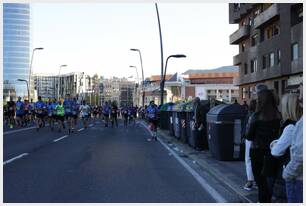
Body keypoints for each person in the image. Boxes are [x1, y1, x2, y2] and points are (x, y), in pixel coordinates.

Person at [245, 87, 282, 203]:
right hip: (273, 152)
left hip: (257, 153)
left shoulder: (256, 116)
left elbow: (249, 136)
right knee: (269, 182)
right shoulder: (278, 115)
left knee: (261, 183)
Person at [270, 93, 302, 202]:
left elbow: (276, 151)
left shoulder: (290, 127)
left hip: (291, 175)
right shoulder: (299, 124)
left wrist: (274, 143)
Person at [282, 82, 303, 203]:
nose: (299, 97)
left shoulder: (293, 126)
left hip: (298, 179)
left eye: (301, 93)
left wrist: (287, 173)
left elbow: (300, 156)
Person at [243, 99, 257, 191]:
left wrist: (244, 136)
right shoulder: (262, 114)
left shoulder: (250, 115)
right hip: (259, 140)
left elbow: (247, 128)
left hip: (250, 139)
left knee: (248, 159)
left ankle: (250, 181)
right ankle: (256, 181)